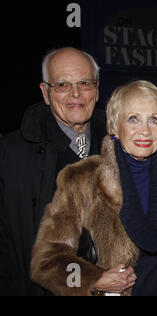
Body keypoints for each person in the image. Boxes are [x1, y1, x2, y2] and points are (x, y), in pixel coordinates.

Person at [30, 80, 157, 296]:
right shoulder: (83, 179)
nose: (145, 130)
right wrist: (93, 280)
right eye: (133, 119)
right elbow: (46, 262)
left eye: (154, 119)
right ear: (114, 126)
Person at [0, 47, 106, 296]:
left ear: (97, 89)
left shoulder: (123, 147)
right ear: (45, 93)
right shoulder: (10, 156)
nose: (76, 93)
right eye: (62, 85)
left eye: (84, 82)